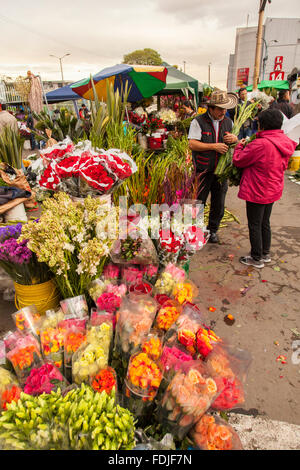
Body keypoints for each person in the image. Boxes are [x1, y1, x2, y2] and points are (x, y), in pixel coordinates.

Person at [232, 108, 297, 269]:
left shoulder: (261, 144)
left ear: (262, 125)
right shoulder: (285, 141)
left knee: (255, 223)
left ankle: (256, 257)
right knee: (264, 222)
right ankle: (265, 253)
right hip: (273, 188)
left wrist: (239, 147)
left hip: (257, 190)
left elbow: (239, 160)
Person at [188, 90, 239, 243]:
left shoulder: (229, 122)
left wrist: (235, 138)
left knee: (219, 203)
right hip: (203, 170)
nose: (223, 111)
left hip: (221, 171)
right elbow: (192, 144)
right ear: (211, 108)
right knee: (199, 202)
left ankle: (212, 230)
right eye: (219, 108)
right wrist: (213, 146)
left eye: (225, 108)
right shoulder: (198, 121)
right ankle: (196, 231)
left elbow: (235, 143)